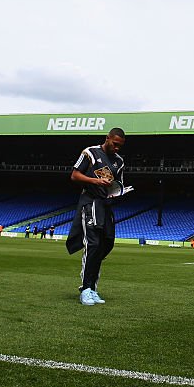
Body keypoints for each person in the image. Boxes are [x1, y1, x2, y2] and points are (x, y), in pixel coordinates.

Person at [66, 128, 127, 305]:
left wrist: (118, 191)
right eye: (115, 144)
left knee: (106, 244)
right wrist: (96, 181)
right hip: (90, 202)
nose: (117, 148)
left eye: (120, 146)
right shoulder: (90, 152)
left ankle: (92, 287)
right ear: (107, 138)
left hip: (106, 205)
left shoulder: (119, 161)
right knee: (92, 243)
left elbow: (118, 183)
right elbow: (74, 175)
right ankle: (85, 288)